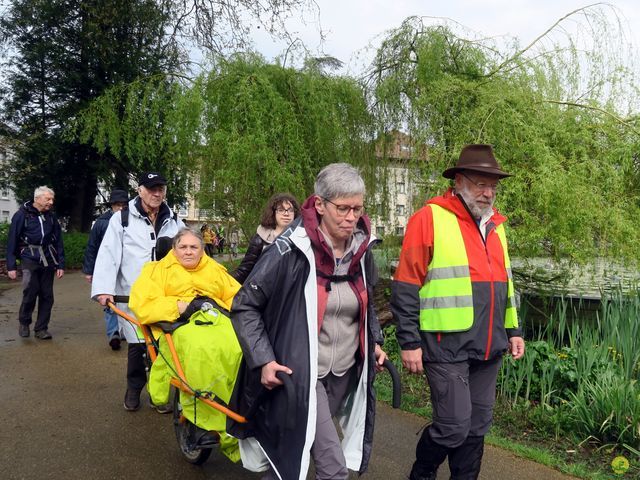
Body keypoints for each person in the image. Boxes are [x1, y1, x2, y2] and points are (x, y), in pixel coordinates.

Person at [228, 163, 387, 480]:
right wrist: (264, 360)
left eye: (357, 208)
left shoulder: (361, 250)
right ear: (319, 204)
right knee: (332, 468)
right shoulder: (290, 249)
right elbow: (244, 305)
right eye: (342, 208)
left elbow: (365, 302)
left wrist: (376, 341)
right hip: (300, 374)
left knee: (293, 452)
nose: (350, 217)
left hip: (341, 371)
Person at [390, 144, 526, 480]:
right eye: (481, 184)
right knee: (453, 427)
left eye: (493, 186)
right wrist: (409, 342)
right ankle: (421, 474)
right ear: (460, 181)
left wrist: (514, 330)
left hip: (489, 346)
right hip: (444, 345)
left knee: (477, 427)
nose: (488, 192)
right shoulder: (430, 218)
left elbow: (505, 285)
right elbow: (406, 285)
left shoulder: (497, 225)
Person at [128, 227, 242, 460]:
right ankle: (201, 421)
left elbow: (237, 296)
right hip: (178, 326)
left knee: (241, 347)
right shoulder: (156, 271)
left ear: (202, 250)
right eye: (183, 247)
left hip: (217, 320)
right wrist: (178, 306)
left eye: (194, 247)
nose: (188, 252)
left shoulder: (215, 270)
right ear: (174, 249)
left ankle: (241, 408)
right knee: (199, 350)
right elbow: (143, 303)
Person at [91, 171, 184, 412]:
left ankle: (158, 392)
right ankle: (134, 388)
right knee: (137, 344)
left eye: (160, 189)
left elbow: (188, 251)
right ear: (139, 190)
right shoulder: (122, 218)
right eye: (151, 188)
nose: (157, 193)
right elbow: (109, 254)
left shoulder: (173, 218)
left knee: (163, 345)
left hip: (164, 294)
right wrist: (104, 289)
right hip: (133, 292)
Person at [6, 186, 65, 340]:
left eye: (52, 199)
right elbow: (12, 240)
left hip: (48, 258)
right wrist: (11, 266)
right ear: (37, 199)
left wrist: (60, 264)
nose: (51, 202)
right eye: (48, 199)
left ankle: (41, 329)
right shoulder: (21, 215)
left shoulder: (51, 217)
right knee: (30, 292)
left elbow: (58, 241)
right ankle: (24, 322)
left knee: (47, 296)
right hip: (29, 258)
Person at [82, 189, 129, 350]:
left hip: (125, 268)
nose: (121, 208)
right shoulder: (102, 223)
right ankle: (113, 333)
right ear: (112, 205)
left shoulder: (131, 220)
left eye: (124, 205)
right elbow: (92, 247)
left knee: (125, 300)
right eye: (118, 205)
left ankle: (123, 330)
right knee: (108, 300)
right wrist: (89, 271)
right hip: (107, 267)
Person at [231, 193, 300, 284]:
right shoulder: (260, 239)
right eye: (281, 210)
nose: (286, 214)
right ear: (273, 212)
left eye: (290, 210)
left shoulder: (301, 239)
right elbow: (244, 271)